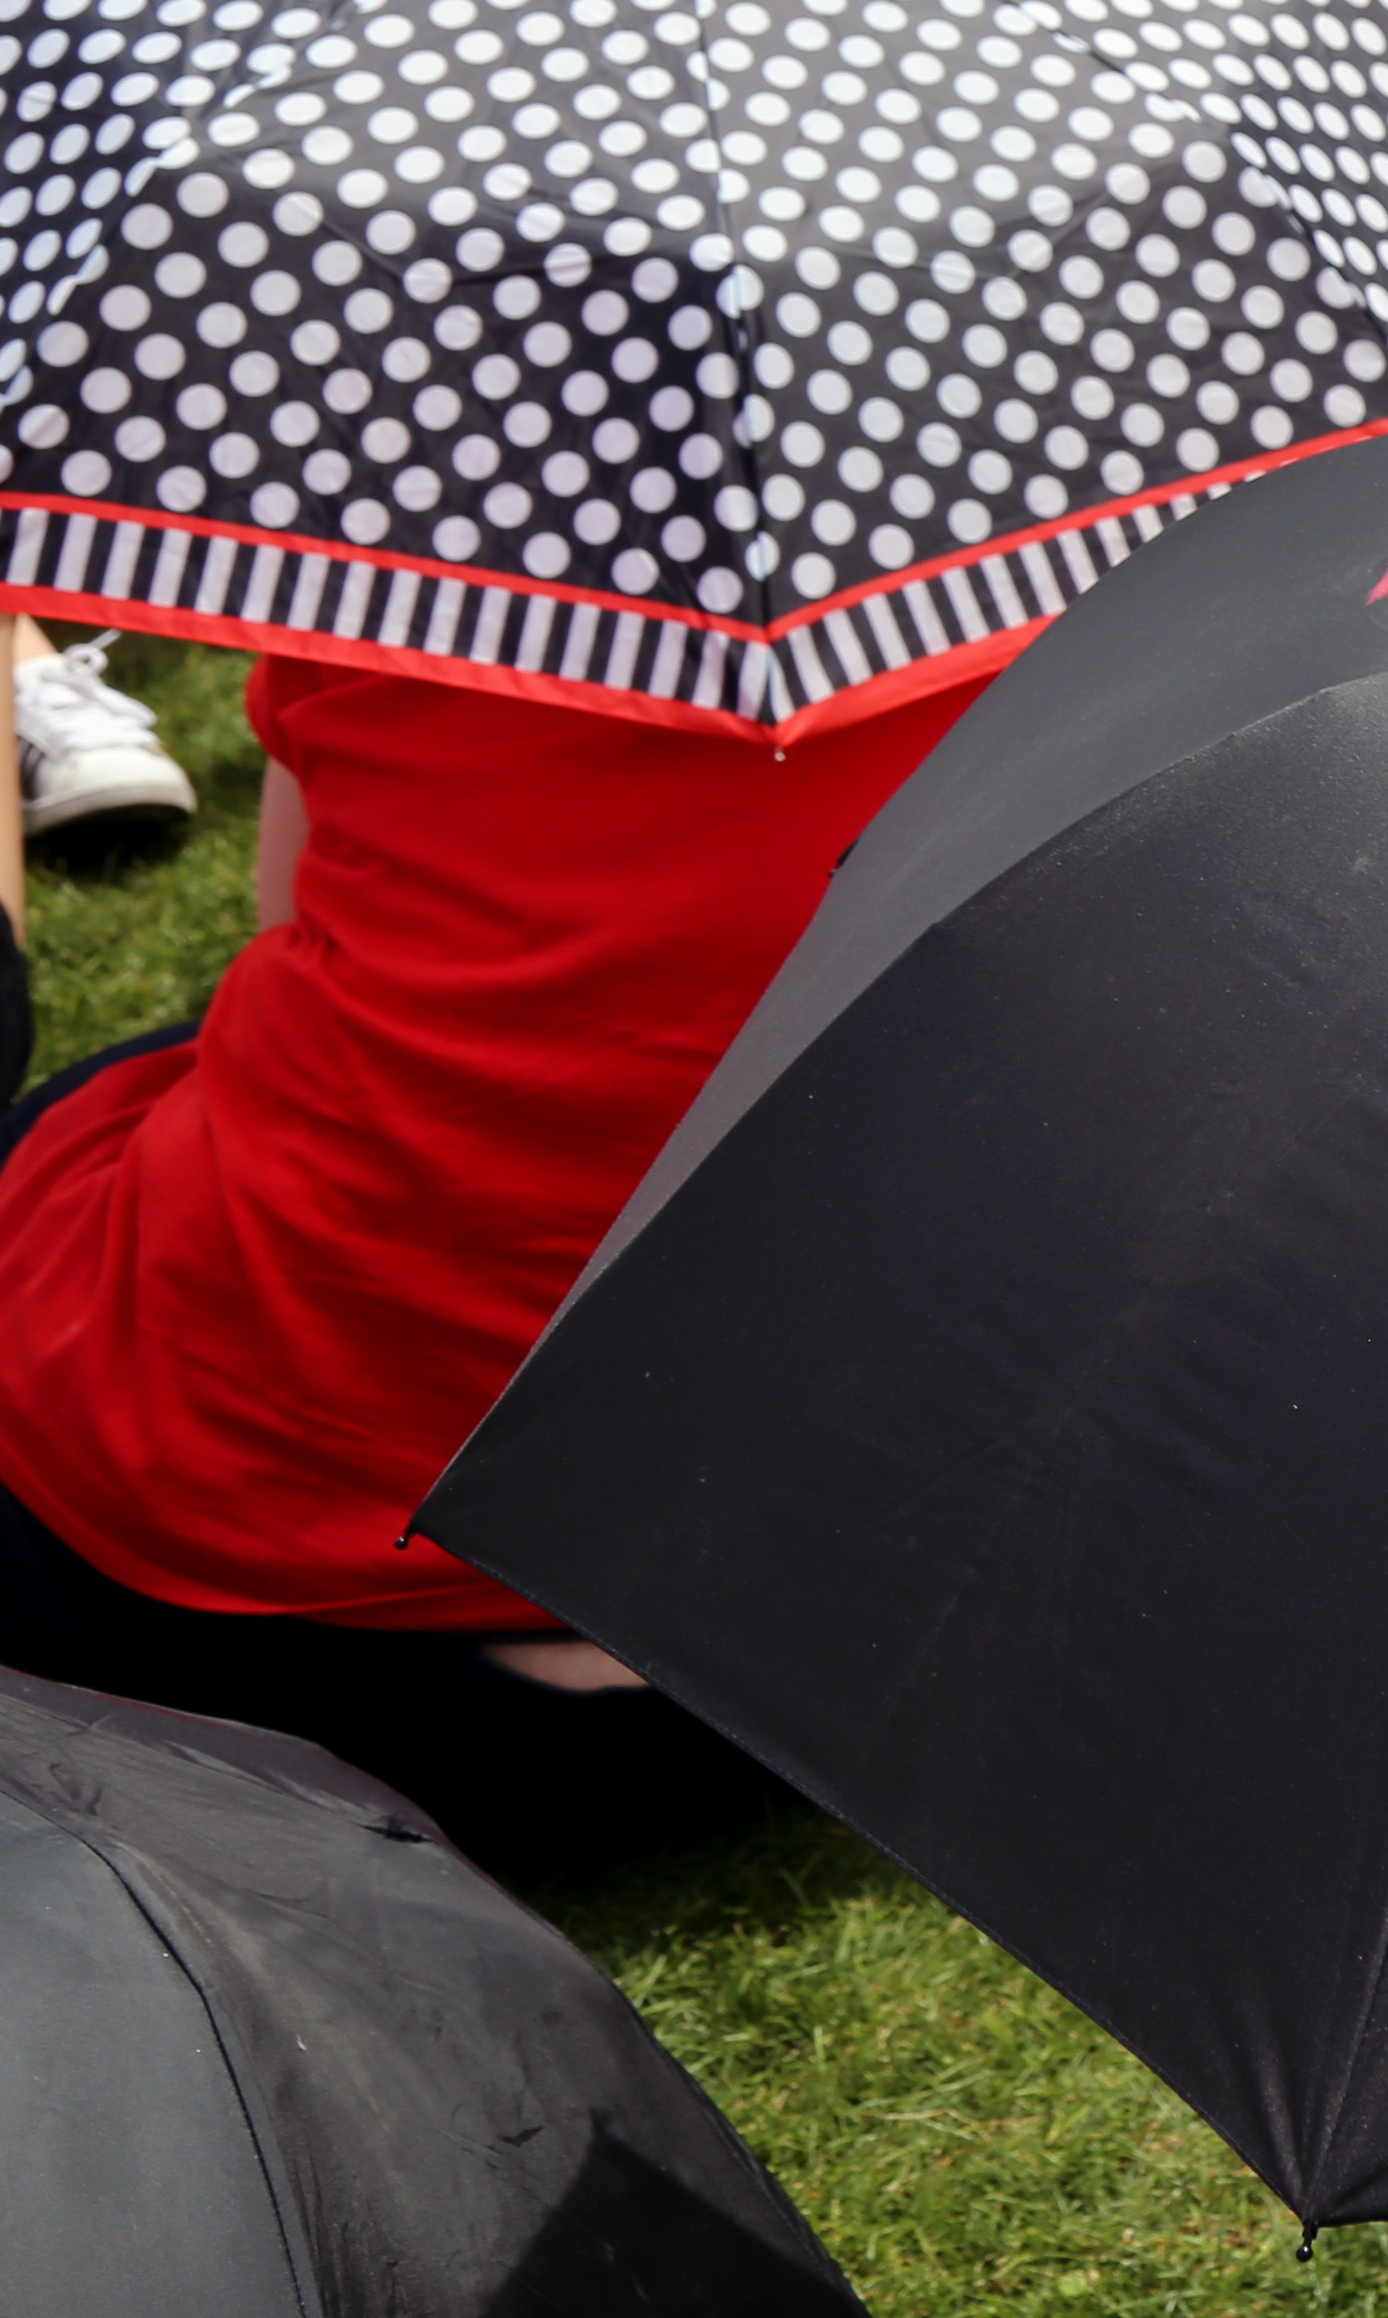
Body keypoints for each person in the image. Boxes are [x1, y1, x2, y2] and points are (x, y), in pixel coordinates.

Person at [0, 653, 971, 1877]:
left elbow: (284, 913)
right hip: (836, 1653)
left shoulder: (399, 611)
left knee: (96, 1121)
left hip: (249, 1638)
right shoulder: (1111, 617)